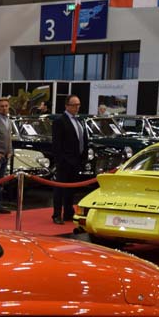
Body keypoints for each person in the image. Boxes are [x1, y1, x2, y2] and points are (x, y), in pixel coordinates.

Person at [51, 95, 89, 224]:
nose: (77, 107)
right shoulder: (60, 121)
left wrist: (83, 158)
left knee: (71, 189)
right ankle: (57, 214)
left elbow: (82, 140)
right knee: (60, 189)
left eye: (78, 105)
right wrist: (61, 160)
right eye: (74, 105)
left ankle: (68, 212)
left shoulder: (79, 121)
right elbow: (57, 144)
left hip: (77, 160)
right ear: (67, 106)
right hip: (65, 161)